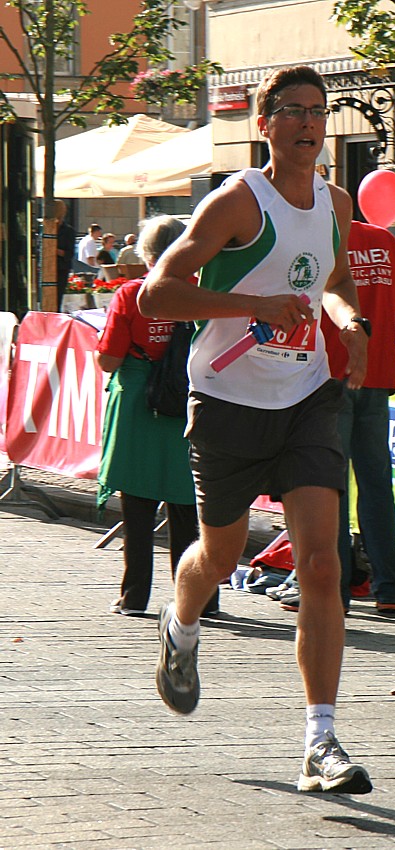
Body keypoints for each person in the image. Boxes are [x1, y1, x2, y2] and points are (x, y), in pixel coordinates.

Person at [137, 65, 372, 795]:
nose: (308, 123)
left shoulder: (334, 201)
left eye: (318, 111)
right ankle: (180, 624)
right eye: (293, 111)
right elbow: (156, 295)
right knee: (220, 554)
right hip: (228, 400)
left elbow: (334, 282)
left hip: (306, 396)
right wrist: (255, 304)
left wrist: (350, 324)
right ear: (265, 124)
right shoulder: (236, 203)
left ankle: (320, 741)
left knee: (322, 565)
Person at [281, 221, 395, 617]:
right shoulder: (382, 240)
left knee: (330, 489)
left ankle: (334, 592)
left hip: (329, 377)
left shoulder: (315, 236)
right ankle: (390, 587)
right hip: (377, 375)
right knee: (377, 484)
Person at [95, 215, 219, 619]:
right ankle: (200, 599)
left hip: (140, 405)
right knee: (189, 509)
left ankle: (134, 597)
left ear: (147, 253)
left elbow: (109, 359)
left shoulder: (132, 293)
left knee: (138, 506)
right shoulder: (203, 292)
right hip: (192, 403)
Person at [54, 199, 76, 311]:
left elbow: (69, 254)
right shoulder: (45, 228)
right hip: (46, 268)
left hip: (61, 268)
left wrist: (54, 250)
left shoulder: (68, 231)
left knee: (57, 297)